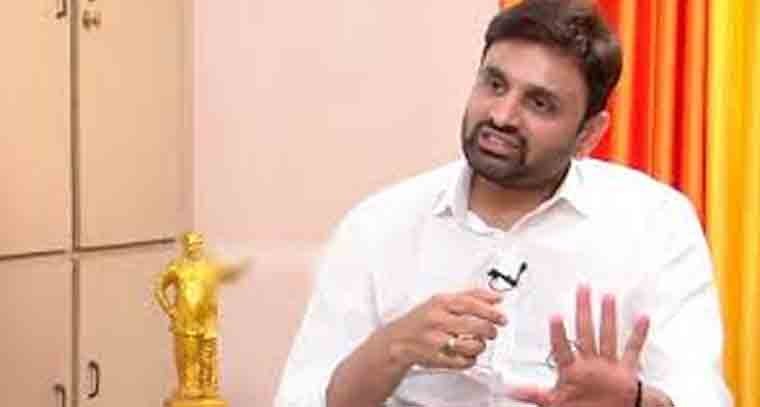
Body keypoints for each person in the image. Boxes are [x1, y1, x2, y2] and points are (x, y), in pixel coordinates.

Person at [275, 1, 732, 406]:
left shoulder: (655, 225)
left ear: (589, 134)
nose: (501, 115)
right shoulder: (380, 224)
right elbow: (298, 400)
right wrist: (393, 349)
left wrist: (633, 402)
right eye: (494, 84)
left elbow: (701, 396)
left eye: (540, 103)